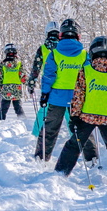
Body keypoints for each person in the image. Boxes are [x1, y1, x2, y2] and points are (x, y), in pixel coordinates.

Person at [54, 36, 107, 185]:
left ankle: (59, 174)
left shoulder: (85, 71)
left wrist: (74, 117)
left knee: (74, 145)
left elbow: (78, 95)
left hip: (86, 117)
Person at [36, 18, 96, 162]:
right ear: (78, 36)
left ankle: (41, 157)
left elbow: (48, 75)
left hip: (57, 98)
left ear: (61, 35)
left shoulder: (54, 54)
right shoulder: (84, 55)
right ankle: (92, 157)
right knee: (82, 128)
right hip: (79, 99)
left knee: (50, 128)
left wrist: (44, 94)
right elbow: (90, 77)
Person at [0, 44, 27, 120]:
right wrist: (28, 84)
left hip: (6, 88)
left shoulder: (2, 64)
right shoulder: (19, 63)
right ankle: (23, 121)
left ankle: (0, 121)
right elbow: (23, 76)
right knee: (18, 107)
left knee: (4, 107)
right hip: (17, 88)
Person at [29, 21, 60, 96]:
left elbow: (36, 68)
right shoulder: (63, 47)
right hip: (63, 84)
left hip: (47, 83)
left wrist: (31, 83)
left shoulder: (42, 49)